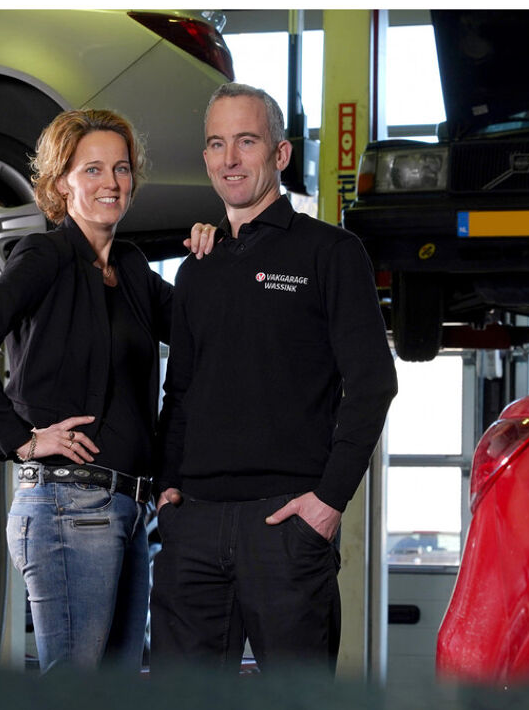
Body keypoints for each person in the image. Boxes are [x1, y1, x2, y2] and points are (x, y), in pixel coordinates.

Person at [0, 108, 207, 672]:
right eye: (93, 169)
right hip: (67, 504)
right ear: (62, 182)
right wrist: (22, 440)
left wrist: (214, 254)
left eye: (121, 168)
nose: (112, 182)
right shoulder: (46, 256)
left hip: (127, 508)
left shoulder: (131, 268)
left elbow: (199, 326)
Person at [151, 83, 398, 676]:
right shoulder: (196, 270)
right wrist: (168, 488)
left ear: (280, 154)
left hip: (287, 524)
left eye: (246, 141)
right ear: (205, 158)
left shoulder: (331, 253)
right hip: (194, 525)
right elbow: (179, 392)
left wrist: (329, 501)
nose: (230, 159)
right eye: (217, 144)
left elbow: (373, 383)